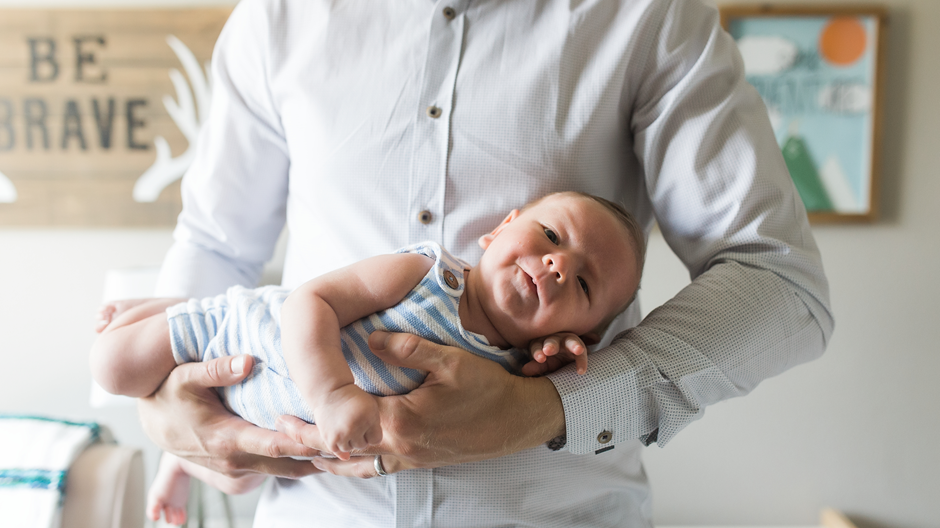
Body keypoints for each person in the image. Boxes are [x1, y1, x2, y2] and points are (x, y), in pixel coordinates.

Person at [138, 0, 835, 526]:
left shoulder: (647, 18)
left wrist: (544, 408)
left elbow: (778, 282)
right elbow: (215, 244)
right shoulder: (278, 17)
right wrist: (166, 406)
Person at [91, 192, 645, 525]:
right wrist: (333, 393)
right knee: (113, 366)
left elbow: (542, 401)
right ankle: (175, 309)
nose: (555, 265)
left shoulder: (511, 373)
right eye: (550, 235)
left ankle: (180, 466)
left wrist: (553, 363)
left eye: (582, 284)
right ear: (502, 227)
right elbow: (312, 300)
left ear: (583, 334)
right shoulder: (429, 276)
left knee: (237, 477)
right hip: (244, 336)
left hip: (273, 421)